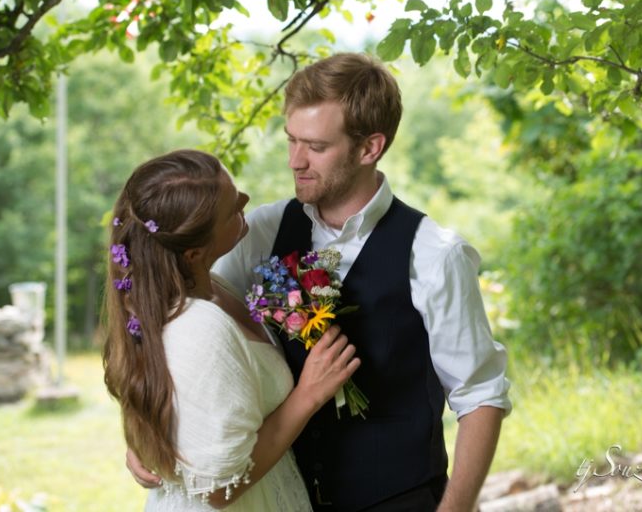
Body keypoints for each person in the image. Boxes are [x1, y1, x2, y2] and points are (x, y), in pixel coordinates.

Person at [128, 54, 511, 511]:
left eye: (315, 146)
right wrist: (142, 430)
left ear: (370, 148)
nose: (295, 161)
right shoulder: (260, 232)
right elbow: (173, 322)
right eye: (291, 140)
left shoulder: (434, 254)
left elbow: (481, 396)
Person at [103, 149, 360, 511]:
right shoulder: (196, 326)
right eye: (232, 208)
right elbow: (218, 490)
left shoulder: (216, 285)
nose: (247, 200)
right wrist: (309, 395)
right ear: (193, 252)